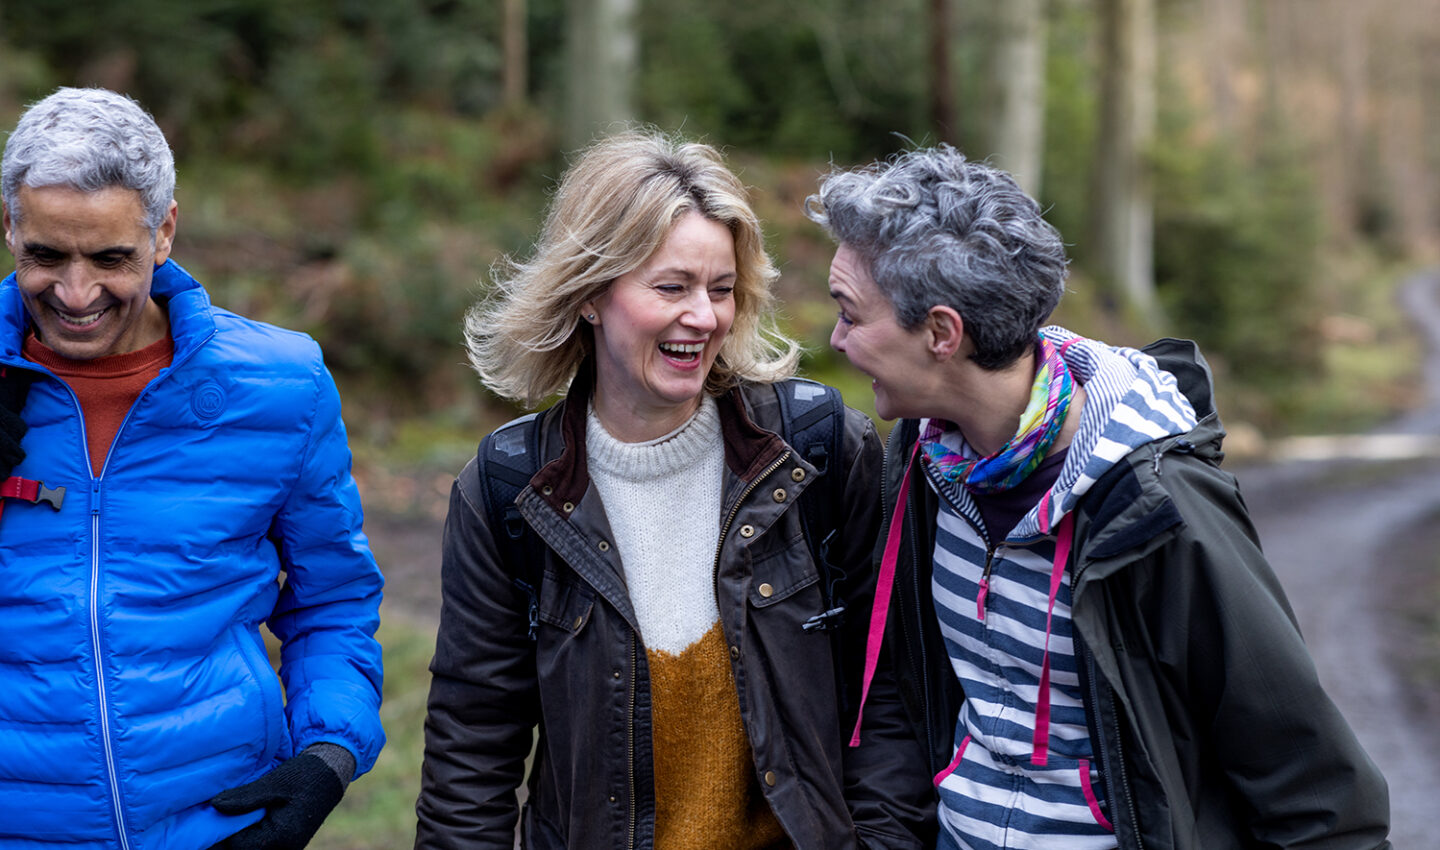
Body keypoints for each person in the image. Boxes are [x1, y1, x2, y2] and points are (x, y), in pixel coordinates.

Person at [805, 146, 1391, 850]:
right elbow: (900, 694)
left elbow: (1314, 789)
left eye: (849, 314)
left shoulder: (1157, 507)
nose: (835, 339)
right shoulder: (922, 463)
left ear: (941, 332)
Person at [413, 131, 932, 850]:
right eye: (671, 287)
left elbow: (890, 698)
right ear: (592, 295)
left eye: (721, 290)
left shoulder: (816, 450)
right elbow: (472, 750)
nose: (705, 316)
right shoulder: (508, 491)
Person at [0, 87, 384, 849]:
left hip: (216, 828)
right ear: (9, 224)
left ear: (164, 231)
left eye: (111, 258)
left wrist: (327, 758)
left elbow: (332, 602)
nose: (76, 294)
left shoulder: (283, 385)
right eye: (46, 255)